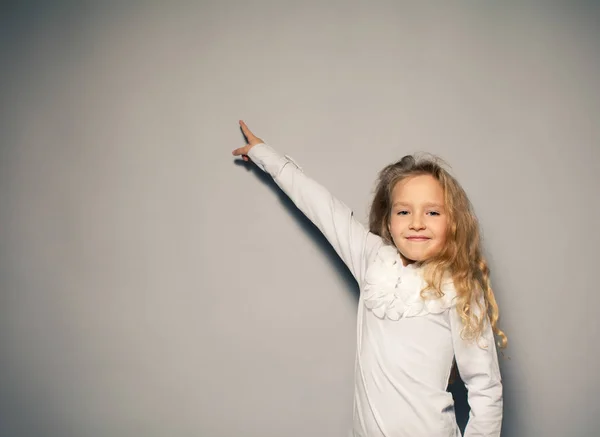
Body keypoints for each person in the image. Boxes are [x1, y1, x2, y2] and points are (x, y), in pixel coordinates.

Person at [232, 120, 507, 437]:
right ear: (388, 221)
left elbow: (486, 388)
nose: (417, 223)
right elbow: (323, 208)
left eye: (432, 212)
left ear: (453, 223)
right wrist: (267, 156)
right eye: (404, 212)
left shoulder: (459, 287)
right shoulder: (373, 258)